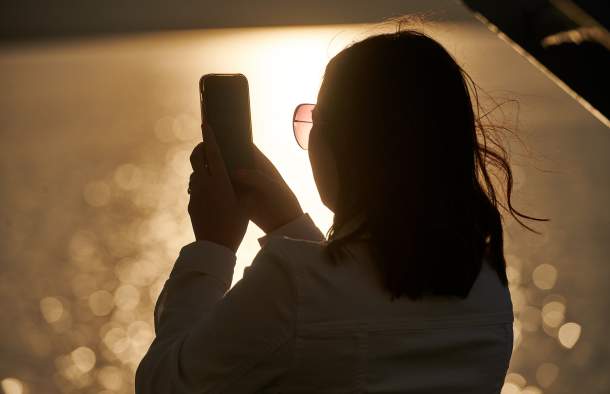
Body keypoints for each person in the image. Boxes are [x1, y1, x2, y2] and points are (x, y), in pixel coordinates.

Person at [135, 25, 546, 394]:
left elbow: (165, 384)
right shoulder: (490, 288)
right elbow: (355, 305)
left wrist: (213, 247)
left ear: (348, 145)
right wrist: (289, 226)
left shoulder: (290, 287)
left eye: (318, 120)